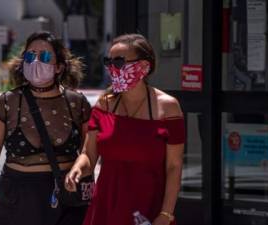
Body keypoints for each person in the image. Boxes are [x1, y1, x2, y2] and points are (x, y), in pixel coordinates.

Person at [65, 33, 185, 225]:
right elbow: (89, 153)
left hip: (147, 209)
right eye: (108, 62)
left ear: (144, 66)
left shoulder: (169, 107)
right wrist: (78, 168)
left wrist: (166, 214)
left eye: (119, 62)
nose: (112, 68)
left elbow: (174, 167)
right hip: (106, 206)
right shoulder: (104, 104)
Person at [0, 31, 91, 225]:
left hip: (67, 198)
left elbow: (89, 152)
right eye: (30, 56)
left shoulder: (77, 103)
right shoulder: (6, 103)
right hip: (16, 198)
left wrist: (79, 170)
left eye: (45, 56)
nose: (36, 61)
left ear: (59, 67)